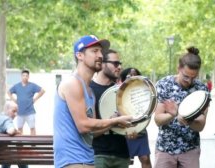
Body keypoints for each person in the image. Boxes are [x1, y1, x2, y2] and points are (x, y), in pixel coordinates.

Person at [53, 35, 132, 168]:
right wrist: (115, 121)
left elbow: (92, 133)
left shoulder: (89, 91)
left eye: (101, 51)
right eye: (94, 51)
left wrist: (112, 122)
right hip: (72, 161)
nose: (100, 55)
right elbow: (83, 125)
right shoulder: (73, 83)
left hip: (86, 160)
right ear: (80, 55)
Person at [154, 46, 209, 168]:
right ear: (178, 68)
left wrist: (188, 121)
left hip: (190, 149)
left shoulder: (202, 90)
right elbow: (157, 120)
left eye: (193, 77)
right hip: (165, 148)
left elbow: (201, 125)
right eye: (186, 76)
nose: (189, 81)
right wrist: (172, 115)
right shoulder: (164, 84)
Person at [90, 49, 136, 168]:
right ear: (102, 63)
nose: (119, 67)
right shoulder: (88, 90)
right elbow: (89, 131)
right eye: (115, 63)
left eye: (120, 63)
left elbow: (128, 122)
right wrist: (113, 122)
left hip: (122, 154)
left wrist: (131, 132)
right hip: (98, 155)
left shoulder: (121, 91)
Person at [119, 67, 152, 168]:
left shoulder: (144, 91)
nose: (132, 77)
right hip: (123, 129)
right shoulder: (119, 91)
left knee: (145, 158)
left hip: (140, 128)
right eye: (129, 75)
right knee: (126, 160)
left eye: (135, 74)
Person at [0, 101, 28, 168]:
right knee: (20, 157)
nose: (15, 114)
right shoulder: (7, 119)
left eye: (17, 112)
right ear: (6, 110)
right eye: (13, 111)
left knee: (8, 154)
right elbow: (10, 131)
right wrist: (17, 131)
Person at [8, 69, 45, 136]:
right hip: (20, 112)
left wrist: (35, 99)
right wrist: (14, 100)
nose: (25, 77)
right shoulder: (17, 86)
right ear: (21, 76)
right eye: (23, 75)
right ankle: (20, 145)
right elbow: (9, 92)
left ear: (28, 77)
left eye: (26, 76)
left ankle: (33, 145)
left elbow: (42, 91)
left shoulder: (32, 86)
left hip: (30, 111)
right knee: (19, 129)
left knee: (32, 128)